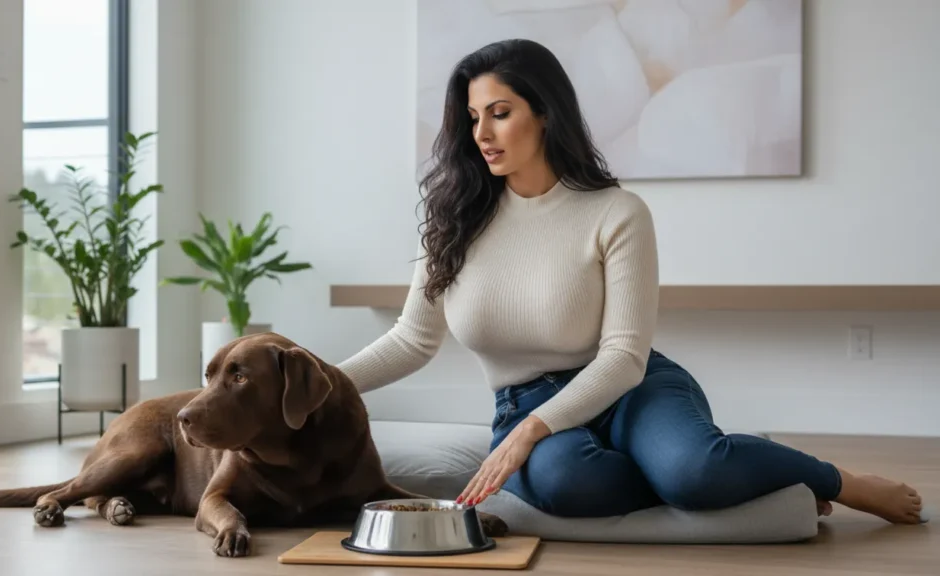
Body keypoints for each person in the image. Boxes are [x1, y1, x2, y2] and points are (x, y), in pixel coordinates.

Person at [336, 38, 925, 524]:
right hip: (524, 400)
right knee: (570, 485)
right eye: (472, 117)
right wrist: (321, 385)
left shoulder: (616, 212)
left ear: (544, 113)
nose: (482, 133)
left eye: (500, 112)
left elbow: (623, 356)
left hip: (631, 389)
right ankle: (736, 474)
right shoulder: (452, 222)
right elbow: (411, 340)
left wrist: (533, 433)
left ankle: (834, 480)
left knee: (694, 472)